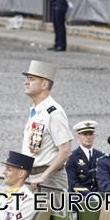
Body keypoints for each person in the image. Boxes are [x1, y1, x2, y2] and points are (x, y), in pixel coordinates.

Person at [21, 61, 71, 194]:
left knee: (53, 215)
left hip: (49, 180)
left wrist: (44, 176)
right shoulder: (36, 110)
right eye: (27, 79)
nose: (26, 82)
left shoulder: (53, 112)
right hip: (32, 177)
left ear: (44, 84)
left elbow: (65, 151)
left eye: (31, 79)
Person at [65, 120, 103, 193]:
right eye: (85, 134)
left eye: (90, 134)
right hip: (78, 196)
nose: (88, 137)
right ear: (78, 136)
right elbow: (72, 182)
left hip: (99, 194)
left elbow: (104, 178)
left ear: (94, 135)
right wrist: (89, 194)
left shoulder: (101, 155)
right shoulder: (72, 157)